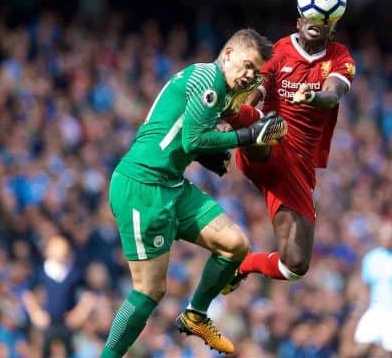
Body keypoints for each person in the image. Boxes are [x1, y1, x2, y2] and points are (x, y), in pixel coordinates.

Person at [100, 28, 287, 357]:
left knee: (235, 245)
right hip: (143, 187)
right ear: (227, 54)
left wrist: (208, 153)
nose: (249, 75)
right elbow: (193, 140)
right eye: (246, 65)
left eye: (255, 72)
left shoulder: (220, 89)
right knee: (149, 291)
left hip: (171, 183)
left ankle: (195, 314)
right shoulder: (208, 80)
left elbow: (181, 134)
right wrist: (248, 136)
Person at [220, 0, 356, 290]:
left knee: (295, 264)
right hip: (269, 144)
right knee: (266, 128)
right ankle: (221, 111)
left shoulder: (339, 56)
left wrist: (313, 95)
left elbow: (333, 93)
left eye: (323, 20)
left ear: (332, 25)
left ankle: (243, 264)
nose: (315, 24)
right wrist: (239, 114)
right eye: (310, 17)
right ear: (299, 19)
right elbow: (257, 91)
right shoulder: (277, 52)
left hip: (297, 167)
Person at [353, 222, 392, 358]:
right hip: (376, 308)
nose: (387, 239)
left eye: (390, 236)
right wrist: (361, 307)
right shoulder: (371, 258)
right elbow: (366, 285)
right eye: (384, 236)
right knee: (362, 345)